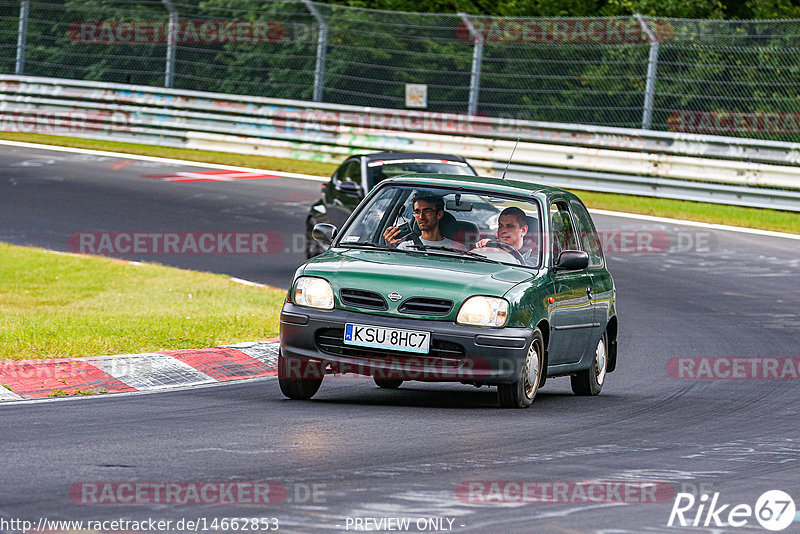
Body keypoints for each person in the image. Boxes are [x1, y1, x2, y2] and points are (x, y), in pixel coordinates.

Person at [383, 195, 458, 250]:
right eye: (417, 212)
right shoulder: (405, 247)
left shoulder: (457, 249)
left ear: (439, 214)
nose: (421, 217)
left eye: (427, 211)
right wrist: (391, 248)